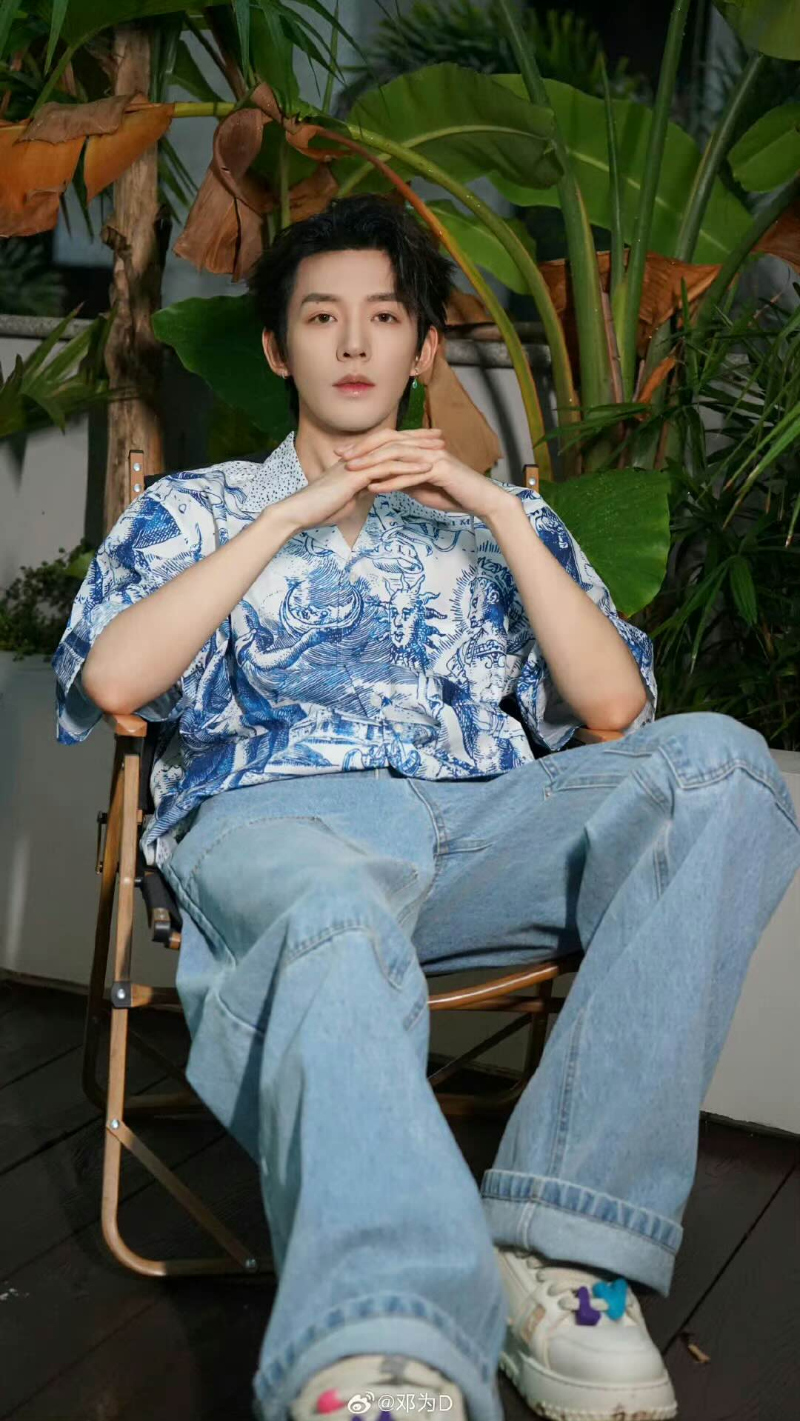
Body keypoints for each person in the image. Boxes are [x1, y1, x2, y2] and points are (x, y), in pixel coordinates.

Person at [52, 194, 800, 1421]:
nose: (353, 343)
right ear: (277, 349)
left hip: (479, 828)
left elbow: (615, 712)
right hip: (280, 820)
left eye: (383, 317)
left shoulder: (490, 520)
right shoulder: (195, 509)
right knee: (337, 910)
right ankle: (384, 1333)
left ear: (421, 348)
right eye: (320, 318)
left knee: (720, 766)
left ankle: (557, 1249)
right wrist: (283, 517)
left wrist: (498, 509)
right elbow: (115, 681)